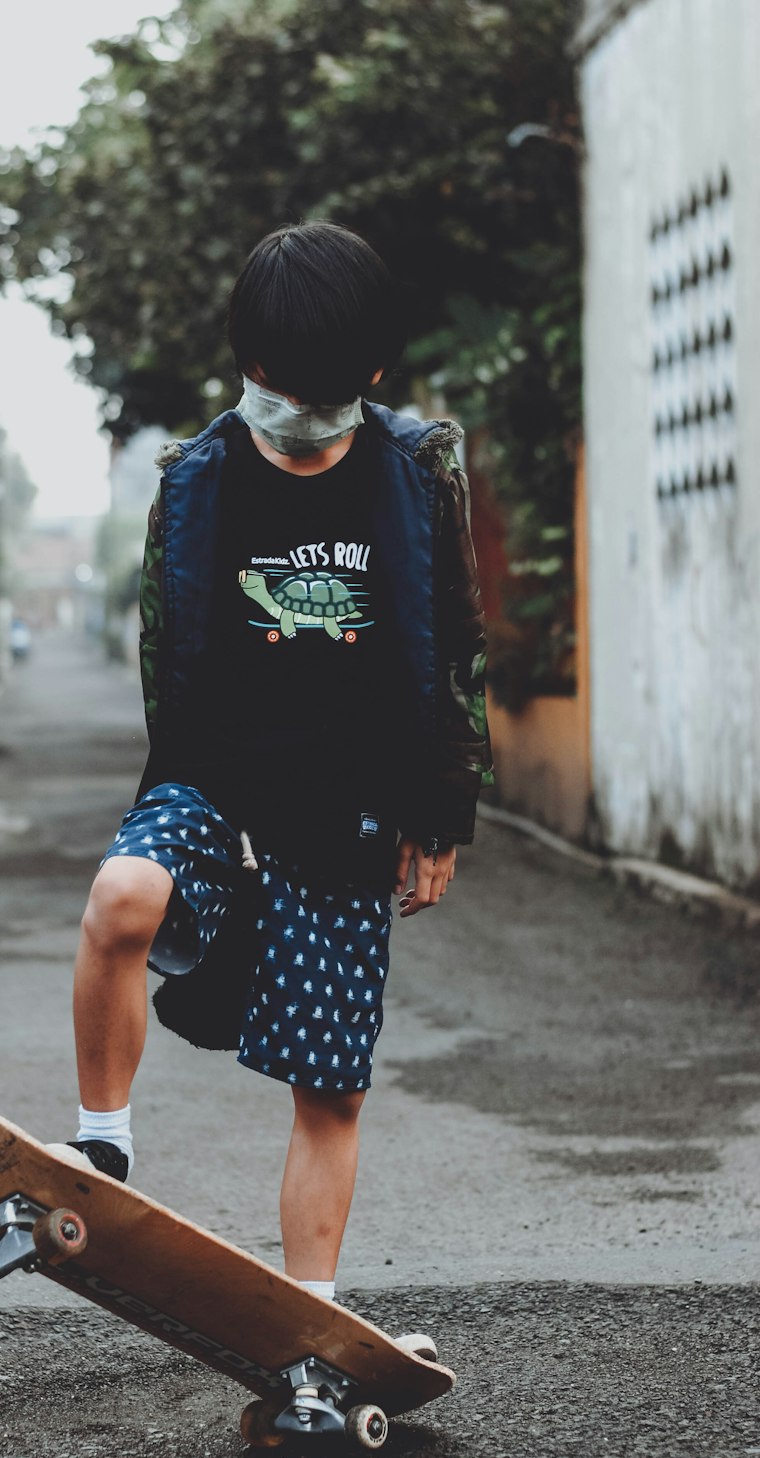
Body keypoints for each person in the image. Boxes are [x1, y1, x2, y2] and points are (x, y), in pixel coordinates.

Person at [55, 221, 494, 1307]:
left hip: (348, 812)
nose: (296, 404)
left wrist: (440, 808)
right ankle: (101, 1145)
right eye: (276, 377)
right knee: (119, 898)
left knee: (328, 1093)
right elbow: (170, 656)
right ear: (246, 361)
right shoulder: (195, 481)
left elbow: (456, 641)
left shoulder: (414, 472)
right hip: (212, 788)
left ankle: (314, 1319)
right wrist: (186, 800)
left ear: (374, 373)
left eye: (325, 384)